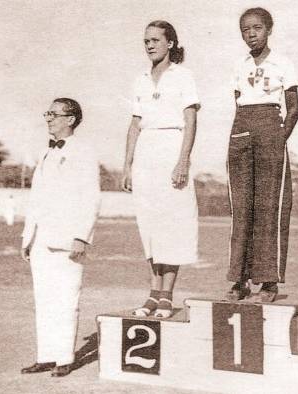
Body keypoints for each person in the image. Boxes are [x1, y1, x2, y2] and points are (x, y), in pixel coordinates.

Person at [122, 20, 200, 318]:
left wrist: (183, 160)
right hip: (146, 155)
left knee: (173, 224)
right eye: (146, 41)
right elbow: (134, 124)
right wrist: (128, 165)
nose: (150, 45)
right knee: (151, 225)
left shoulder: (183, 76)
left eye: (155, 40)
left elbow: (191, 119)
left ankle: (167, 294)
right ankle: (153, 294)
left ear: (170, 43)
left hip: (172, 148)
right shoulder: (140, 79)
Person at [20, 98, 101, 377]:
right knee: (44, 300)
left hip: (68, 239)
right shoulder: (44, 153)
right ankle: (46, 355)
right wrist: (27, 237)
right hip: (40, 239)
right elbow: (36, 199)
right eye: (48, 114)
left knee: (67, 297)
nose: (49, 119)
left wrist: (81, 236)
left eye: (54, 114)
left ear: (71, 119)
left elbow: (91, 197)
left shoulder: (84, 152)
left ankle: (64, 357)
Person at [226, 7, 298, 303]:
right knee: (242, 209)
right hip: (242, 129)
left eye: (256, 28)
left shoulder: (283, 63)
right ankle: (239, 280)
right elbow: (238, 106)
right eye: (245, 29)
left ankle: (268, 283)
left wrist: (277, 139)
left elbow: (293, 109)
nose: (251, 34)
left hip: (271, 128)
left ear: (269, 29)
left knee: (270, 207)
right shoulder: (240, 66)